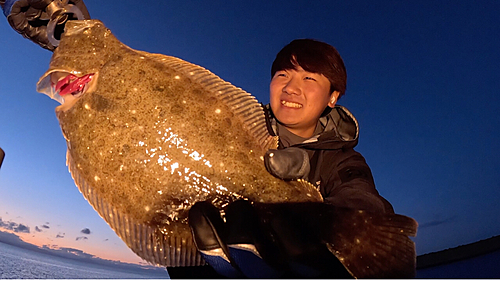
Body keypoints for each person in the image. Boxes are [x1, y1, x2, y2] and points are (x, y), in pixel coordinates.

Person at [2, 2, 409, 278]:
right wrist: (63, 25)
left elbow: (361, 198)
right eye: (283, 75)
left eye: (309, 79)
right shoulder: (250, 123)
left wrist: (325, 222)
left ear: (333, 96)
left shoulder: (340, 161)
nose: (291, 88)